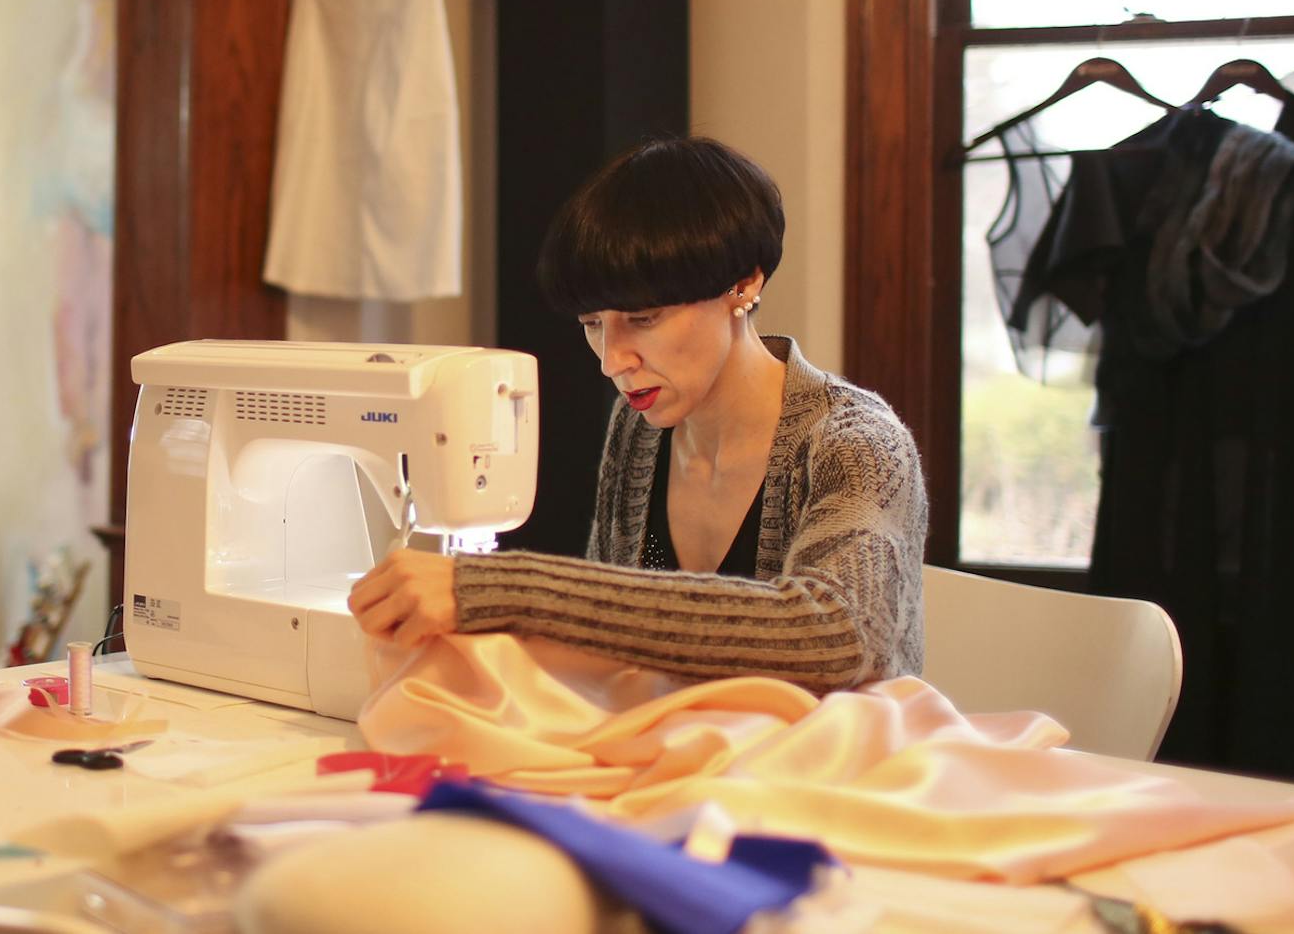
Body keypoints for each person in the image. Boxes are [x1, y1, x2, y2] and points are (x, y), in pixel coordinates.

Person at [347, 136, 928, 690]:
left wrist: (504, 590)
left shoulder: (855, 443)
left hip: (822, 774)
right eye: (592, 325)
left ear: (744, 284)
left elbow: (838, 635)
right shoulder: (640, 430)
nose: (612, 360)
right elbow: (613, 647)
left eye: (644, 319)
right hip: (686, 761)